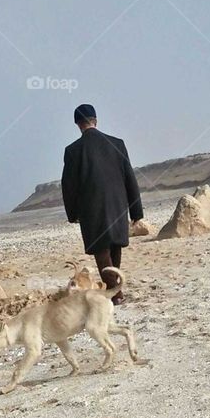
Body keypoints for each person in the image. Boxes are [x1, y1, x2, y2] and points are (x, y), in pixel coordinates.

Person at [61, 104, 143, 304]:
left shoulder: (73, 151)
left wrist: (72, 214)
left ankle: (115, 293)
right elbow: (129, 177)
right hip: (117, 204)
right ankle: (115, 289)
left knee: (101, 250)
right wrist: (136, 210)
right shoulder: (117, 143)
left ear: (78, 125)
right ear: (95, 121)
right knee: (114, 246)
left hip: (91, 209)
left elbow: (68, 186)